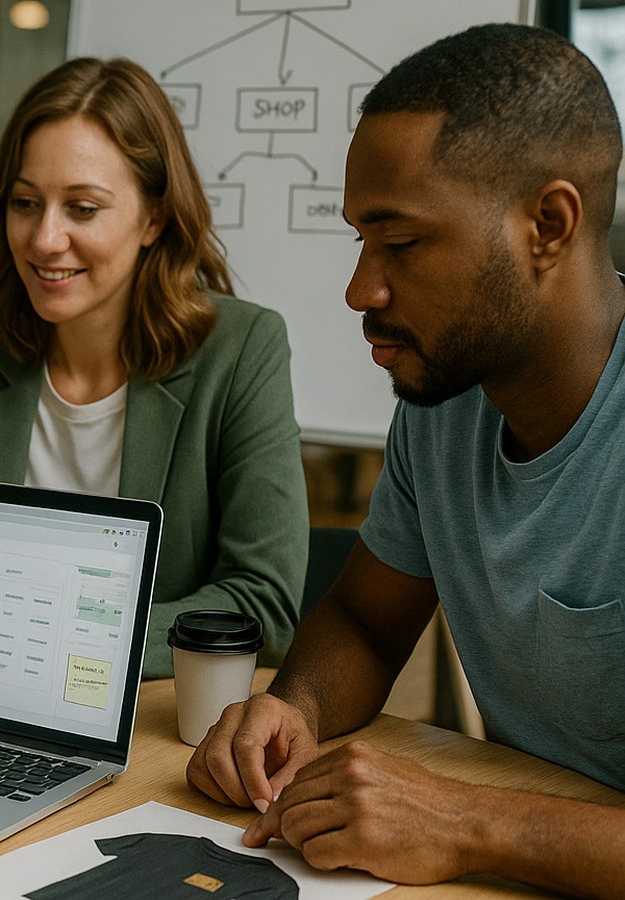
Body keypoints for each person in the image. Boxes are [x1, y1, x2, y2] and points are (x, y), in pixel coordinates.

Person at [187, 24, 625, 894]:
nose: (361, 290)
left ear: (549, 223)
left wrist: (464, 821)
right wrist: (297, 706)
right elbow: (366, 618)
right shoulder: (451, 398)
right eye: (359, 239)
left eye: (403, 243)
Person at [0, 57, 307, 678]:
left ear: (154, 218)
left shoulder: (242, 350)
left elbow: (262, 606)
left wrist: (63, 641)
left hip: (146, 726)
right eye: (26, 203)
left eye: (82, 208)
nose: (44, 239)